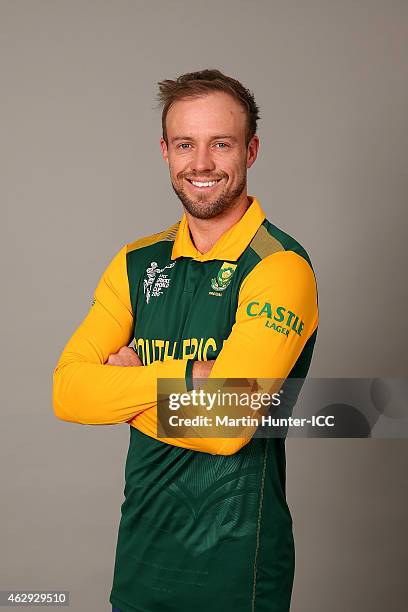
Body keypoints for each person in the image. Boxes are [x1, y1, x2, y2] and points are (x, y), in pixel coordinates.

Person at [53, 69, 319, 612]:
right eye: (185, 144)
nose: (201, 164)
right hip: (139, 564)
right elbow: (67, 392)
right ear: (165, 151)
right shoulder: (135, 264)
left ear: (252, 149)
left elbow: (227, 425)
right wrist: (184, 383)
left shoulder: (280, 267)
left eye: (220, 144)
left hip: (236, 572)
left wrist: (125, 390)